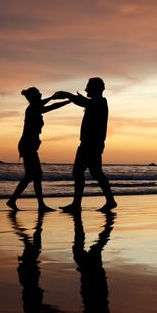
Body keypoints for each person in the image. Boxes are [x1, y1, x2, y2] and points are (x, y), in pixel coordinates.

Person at [54, 77, 117, 212]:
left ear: (95, 89)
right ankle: (109, 201)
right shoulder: (96, 102)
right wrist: (73, 97)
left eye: (88, 87)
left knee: (79, 172)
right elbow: (84, 102)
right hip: (92, 144)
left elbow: (83, 102)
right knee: (95, 173)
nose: (86, 89)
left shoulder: (100, 102)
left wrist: (67, 95)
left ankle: (77, 204)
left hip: (91, 144)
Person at [7, 87, 69, 211]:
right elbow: (52, 107)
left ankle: (14, 201)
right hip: (28, 145)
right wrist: (68, 101)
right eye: (38, 93)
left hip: (29, 145)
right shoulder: (32, 109)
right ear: (34, 97)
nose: (41, 94)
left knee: (31, 176)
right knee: (36, 175)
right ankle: (39, 205)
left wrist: (57, 99)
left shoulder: (35, 107)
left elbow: (46, 105)